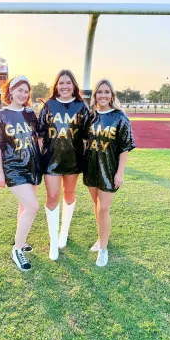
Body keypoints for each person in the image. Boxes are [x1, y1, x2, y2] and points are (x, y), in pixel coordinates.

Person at [0, 75, 41, 272]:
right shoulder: (0, 116)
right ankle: (17, 249)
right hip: (13, 168)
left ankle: (22, 239)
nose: (23, 94)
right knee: (32, 206)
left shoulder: (30, 114)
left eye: (26, 91)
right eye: (19, 90)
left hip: (32, 165)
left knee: (23, 206)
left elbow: (37, 139)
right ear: (10, 90)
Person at [38, 70, 89, 260]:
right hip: (51, 159)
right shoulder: (49, 105)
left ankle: (64, 232)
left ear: (74, 86)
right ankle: (53, 242)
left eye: (68, 83)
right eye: (61, 83)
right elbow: (40, 134)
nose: (65, 86)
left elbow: (85, 136)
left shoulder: (81, 106)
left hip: (73, 160)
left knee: (69, 194)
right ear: (56, 86)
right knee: (52, 196)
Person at [83, 78, 135, 267]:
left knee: (103, 208)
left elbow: (124, 148)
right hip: (91, 167)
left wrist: (119, 173)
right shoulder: (91, 116)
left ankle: (103, 249)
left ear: (112, 95)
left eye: (106, 92)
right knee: (97, 206)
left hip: (109, 169)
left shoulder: (120, 117)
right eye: (99, 92)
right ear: (95, 95)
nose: (103, 95)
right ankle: (101, 238)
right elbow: (84, 140)